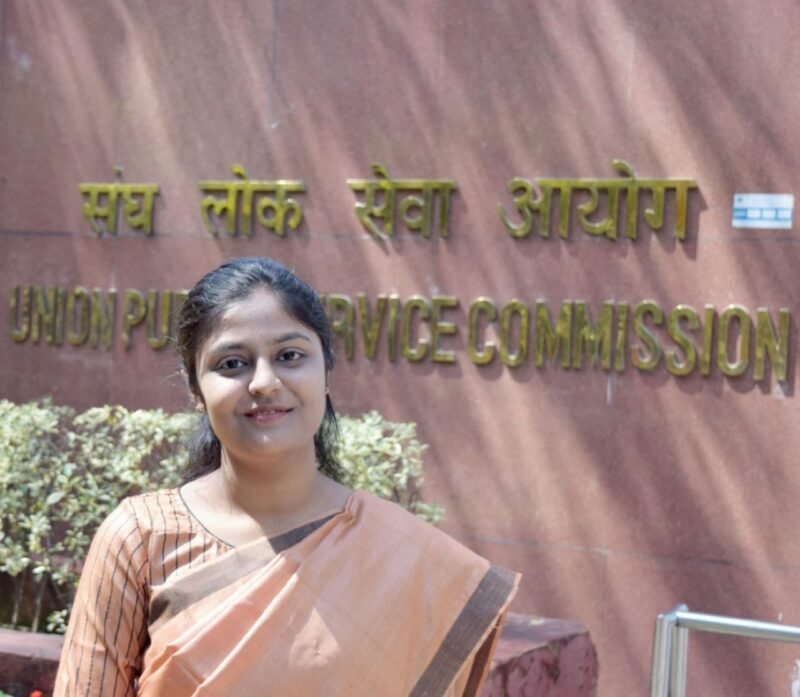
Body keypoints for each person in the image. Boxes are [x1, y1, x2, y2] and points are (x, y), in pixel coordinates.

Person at [54, 257, 519, 696]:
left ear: (326, 371)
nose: (264, 382)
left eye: (290, 355)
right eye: (232, 363)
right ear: (196, 387)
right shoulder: (140, 540)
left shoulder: (406, 560)